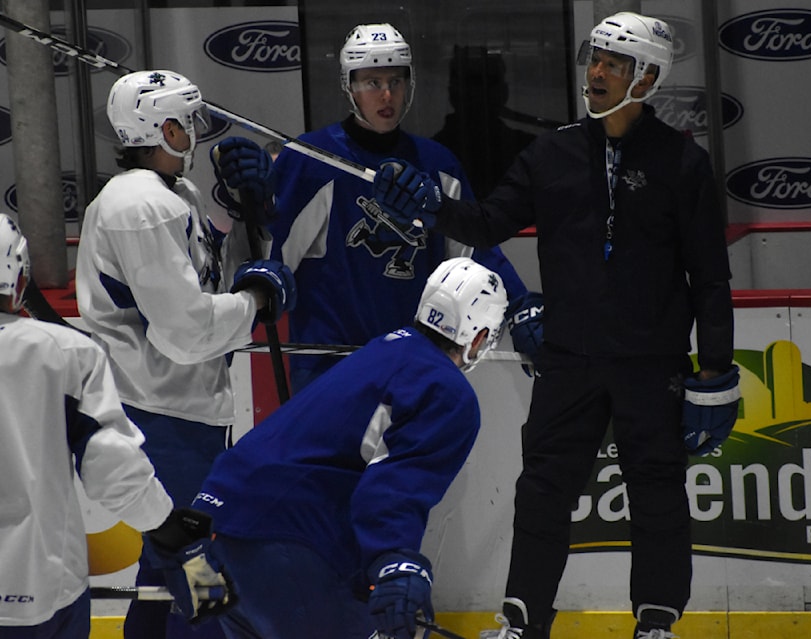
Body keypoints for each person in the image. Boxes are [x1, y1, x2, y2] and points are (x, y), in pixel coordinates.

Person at [371, 12, 740, 639]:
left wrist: (715, 371)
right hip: (568, 361)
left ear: (647, 78)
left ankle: (656, 622)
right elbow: (488, 222)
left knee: (657, 493)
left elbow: (709, 277)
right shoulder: (552, 153)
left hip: (652, 363)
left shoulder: (683, 163)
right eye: (594, 59)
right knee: (542, 491)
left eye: (614, 64)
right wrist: (431, 207)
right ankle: (523, 620)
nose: (596, 72)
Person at [176, 257, 507, 639]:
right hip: (283, 541)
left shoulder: (380, 351)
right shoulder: (446, 390)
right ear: (479, 337)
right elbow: (393, 489)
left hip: (210, 530)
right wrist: (395, 562)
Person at [75, 69, 295, 639]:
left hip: (183, 407)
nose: (195, 131)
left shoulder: (176, 195)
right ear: (164, 128)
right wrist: (257, 301)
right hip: (158, 413)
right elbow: (185, 331)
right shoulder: (139, 205)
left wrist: (244, 211)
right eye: (186, 121)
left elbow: (211, 284)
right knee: (196, 568)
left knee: (164, 570)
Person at [211, 23, 542, 393]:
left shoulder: (437, 163)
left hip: (414, 368)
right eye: (372, 82)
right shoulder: (310, 161)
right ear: (349, 86)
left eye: (395, 81)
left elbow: (476, 251)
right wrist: (252, 207)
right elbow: (269, 262)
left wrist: (521, 306)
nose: (387, 94)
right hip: (330, 372)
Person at [0, 211, 229, 637]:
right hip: (46, 590)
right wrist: (167, 525)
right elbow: (111, 467)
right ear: (20, 279)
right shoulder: (67, 352)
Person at [432, 45, 537, 199]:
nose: (478, 94)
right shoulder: (431, 157)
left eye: (488, 83)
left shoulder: (530, 151)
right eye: (470, 84)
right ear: (453, 93)